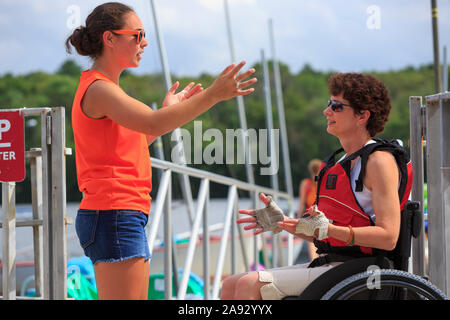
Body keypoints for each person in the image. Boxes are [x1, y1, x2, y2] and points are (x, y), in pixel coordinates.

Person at [66, 2, 257, 300]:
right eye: (138, 34)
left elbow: (138, 139)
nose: (144, 42)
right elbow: (153, 121)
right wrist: (214, 94)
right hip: (114, 212)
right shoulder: (100, 89)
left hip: (121, 212)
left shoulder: (105, 89)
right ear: (110, 38)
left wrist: (169, 111)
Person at [220, 72, 412, 300]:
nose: (326, 111)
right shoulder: (341, 162)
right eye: (329, 104)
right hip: (335, 265)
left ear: (362, 116)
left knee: (249, 285)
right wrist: (285, 223)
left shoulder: (379, 161)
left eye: (337, 106)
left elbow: (389, 236)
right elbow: (328, 237)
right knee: (230, 284)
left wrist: (328, 229)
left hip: (366, 272)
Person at [297, 158, 322, 261]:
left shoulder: (305, 183)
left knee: (312, 241)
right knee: (322, 239)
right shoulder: (323, 182)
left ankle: (314, 261)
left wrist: (298, 219)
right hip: (322, 215)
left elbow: (302, 203)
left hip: (310, 215)